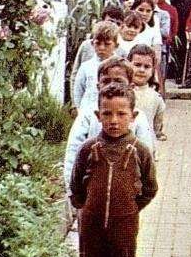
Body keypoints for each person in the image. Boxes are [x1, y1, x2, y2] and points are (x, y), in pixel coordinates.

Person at [70, 81, 158, 257]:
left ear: (133, 116)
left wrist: (128, 209)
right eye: (107, 114)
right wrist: (88, 212)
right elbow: (76, 188)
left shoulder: (139, 151)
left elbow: (150, 188)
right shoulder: (88, 149)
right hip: (92, 229)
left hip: (123, 228)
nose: (114, 120)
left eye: (121, 114)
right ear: (98, 116)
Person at [64, 57, 155, 194]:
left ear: (131, 86)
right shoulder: (88, 115)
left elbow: (146, 157)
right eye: (106, 81)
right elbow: (73, 153)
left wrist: (138, 198)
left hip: (125, 196)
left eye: (119, 81)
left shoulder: (138, 117)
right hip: (90, 193)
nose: (111, 85)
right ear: (98, 85)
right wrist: (72, 192)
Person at [69, 4, 124, 98]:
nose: (102, 48)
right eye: (110, 21)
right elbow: (76, 74)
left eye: (118, 24)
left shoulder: (121, 52)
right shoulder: (86, 46)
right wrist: (75, 104)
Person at [73, 20, 120, 111]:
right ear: (92, 43)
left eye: (107, 44)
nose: (102, 48)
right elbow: (78, 91)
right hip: (89, 110)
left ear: (116, 45)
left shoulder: (120, 66)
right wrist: (80, 110)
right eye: (98, 43)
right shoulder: (86, 67)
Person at [129, 45, 166, 149]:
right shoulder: (121, 92)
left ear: (153, 70)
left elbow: (157, 125)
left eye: (146, 67)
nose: (142, 70)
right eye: (137, 65)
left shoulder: (156, 97)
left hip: (146, 148)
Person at [130, 0, 164, 87]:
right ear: (133, 9)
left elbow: (157, 54)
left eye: (148, 11)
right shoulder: (127, 29)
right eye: (141, 10)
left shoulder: (152, 30)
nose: (144, 14)